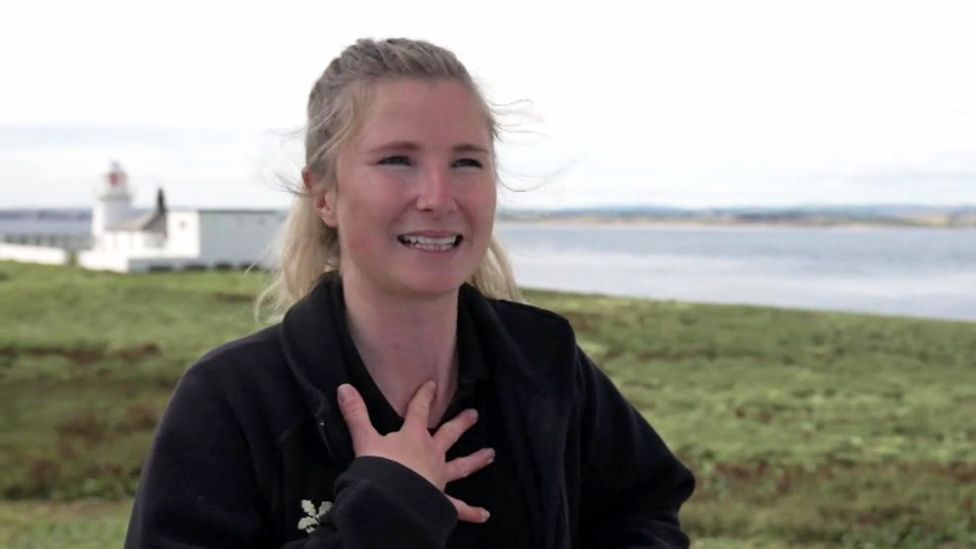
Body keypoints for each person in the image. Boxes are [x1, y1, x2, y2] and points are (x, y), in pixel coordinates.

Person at [124, 38, 695, 548]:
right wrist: (386, 510)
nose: (438, 196)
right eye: (398, 160)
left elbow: (645, 508)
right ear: (322, 193)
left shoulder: (543, 364)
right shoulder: (234, 399)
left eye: (467, 162)